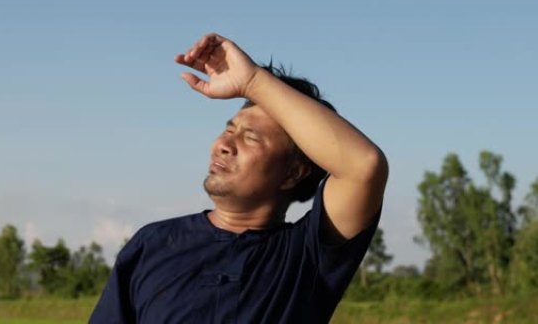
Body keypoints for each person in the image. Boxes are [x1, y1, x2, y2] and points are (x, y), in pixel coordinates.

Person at [90, 33, 388, 323]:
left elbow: (362, 166)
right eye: (230, 130)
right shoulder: (153, 244)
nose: (223, 144)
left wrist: (252, 82)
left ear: (292, 173)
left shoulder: (306, 259)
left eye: (251, 138)